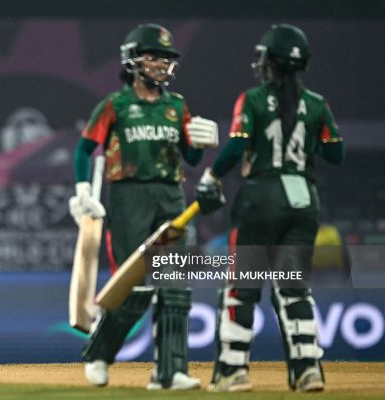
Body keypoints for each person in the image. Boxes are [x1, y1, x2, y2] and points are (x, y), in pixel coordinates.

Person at [69, 23, 218, 390]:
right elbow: (84, 149)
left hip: (171, 196)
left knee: (175, 286)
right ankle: (99, 355)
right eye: (153, 57)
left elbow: (191, 158)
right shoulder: (116, 105)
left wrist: (203, 144)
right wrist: (84, 189)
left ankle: (170, 371)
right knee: (132, 285)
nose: (161, 65)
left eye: (166, 58)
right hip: (128, 197)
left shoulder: (177, 106)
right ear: (132, 61)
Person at [196, 24, 344, 392]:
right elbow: (335, 153)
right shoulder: (318, 104)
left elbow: (236, 146)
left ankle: (232, 370)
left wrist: (212, 176)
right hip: (304, 199)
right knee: (294, 288)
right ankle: (308, 369)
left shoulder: (253, 99)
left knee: (242, 287)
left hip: (261, 197)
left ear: (269, 62)